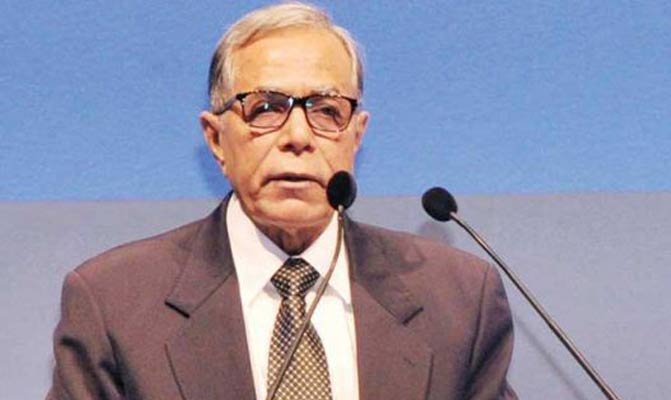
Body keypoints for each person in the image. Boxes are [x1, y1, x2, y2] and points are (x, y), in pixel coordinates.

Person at [47, 3, 517, 399]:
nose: (298, 137)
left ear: (356, 136)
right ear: (215, 139)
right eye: (266, 108)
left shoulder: (458, 300)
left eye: (327, 111)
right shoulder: (114, 304)